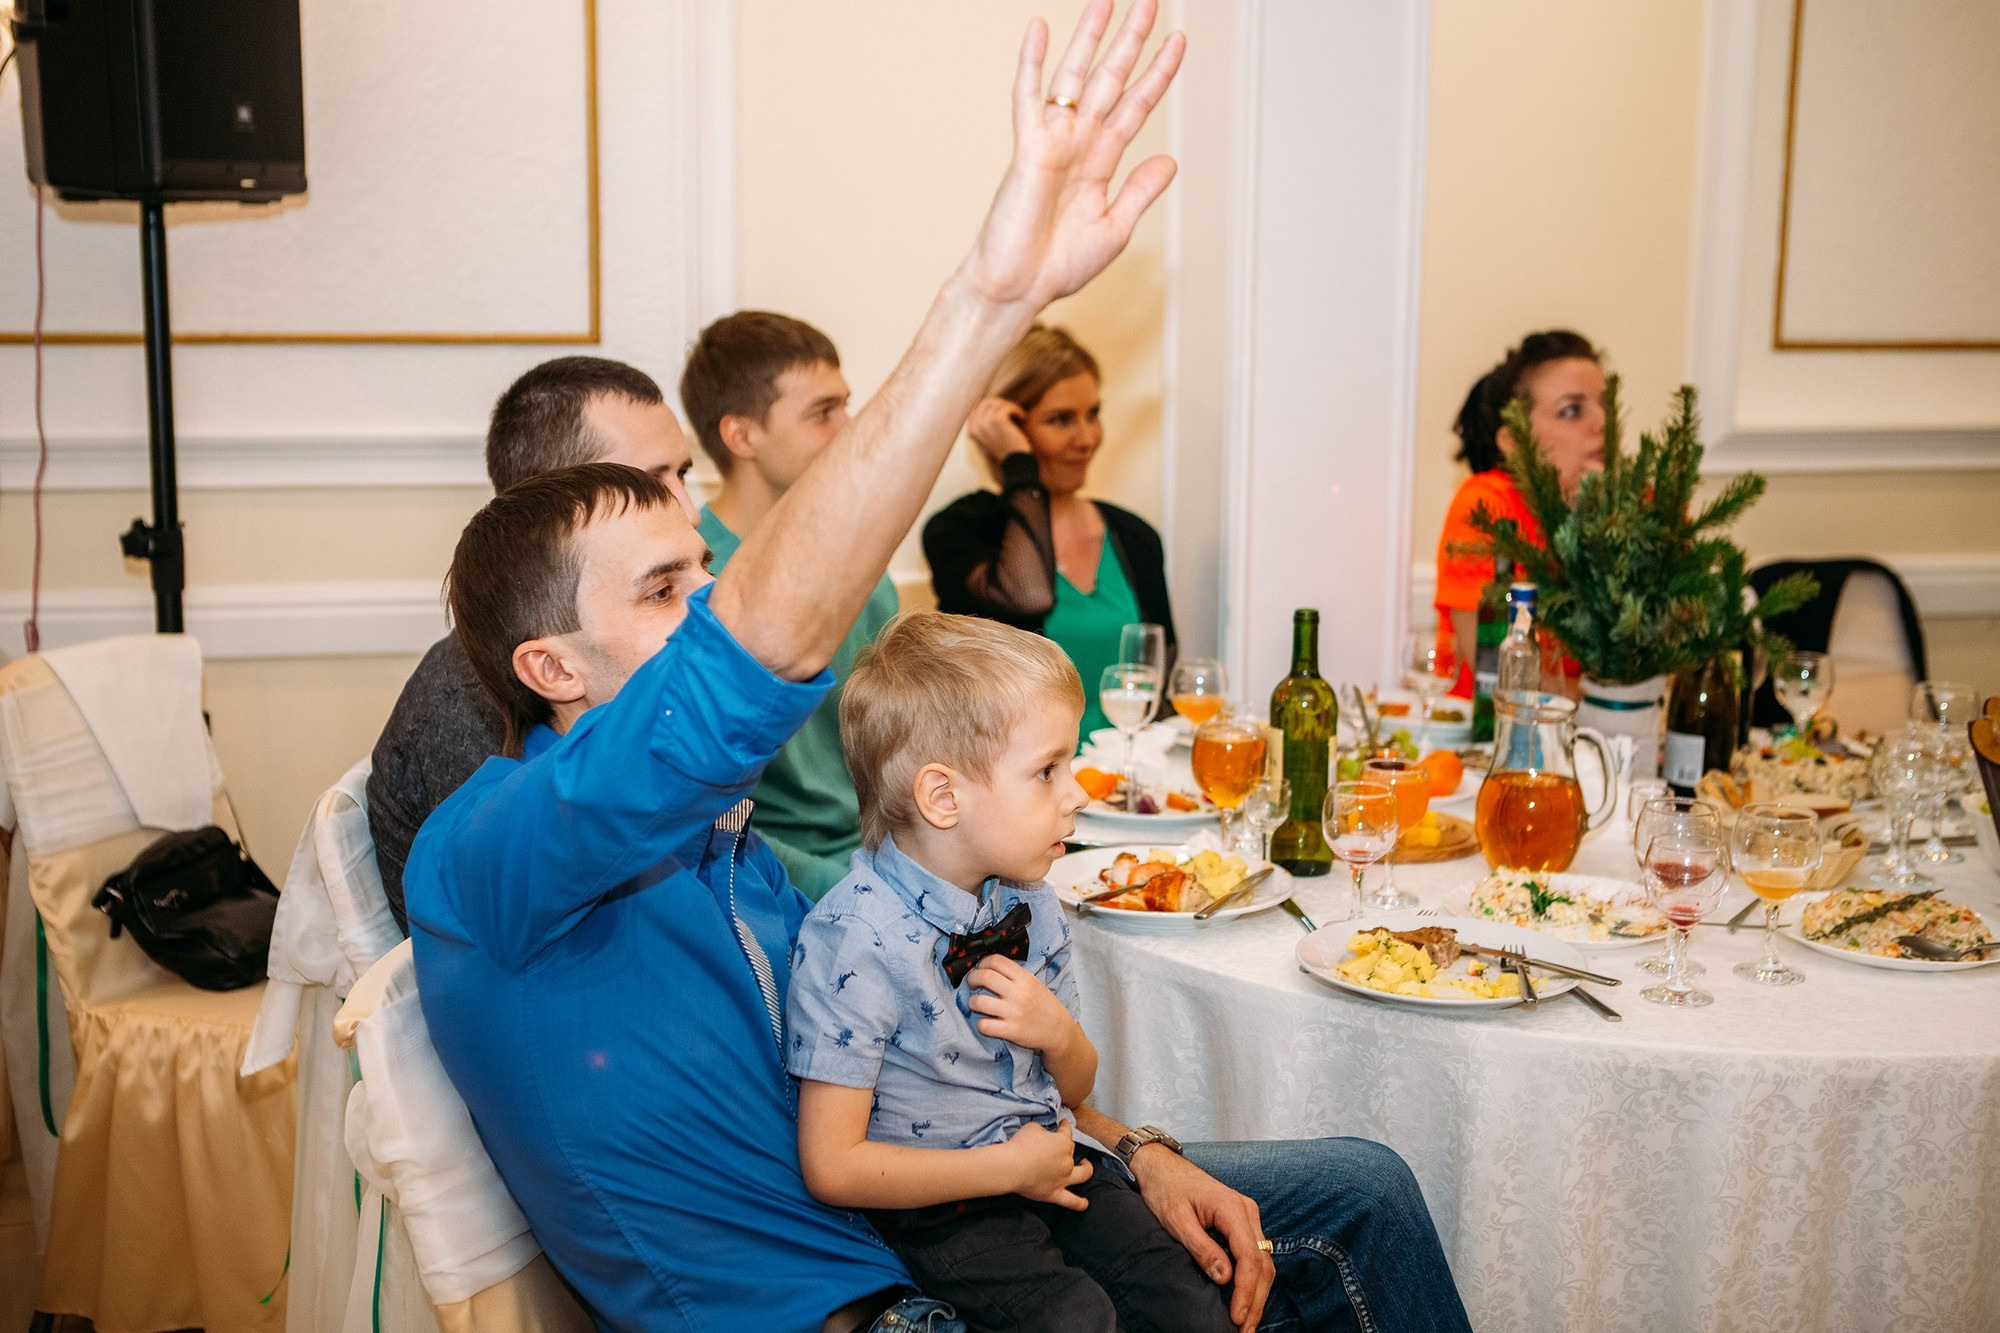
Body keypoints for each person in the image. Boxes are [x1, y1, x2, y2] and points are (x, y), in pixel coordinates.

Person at [405, 6, 1471, 1331]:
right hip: (858, 1303)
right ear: (550, 665)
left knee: (1362, 1186)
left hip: (954, 1212)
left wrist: (1132, 1150)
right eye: (669, 587)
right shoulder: (495, 850)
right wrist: (991, 300)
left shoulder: (731, 853)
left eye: (702, 567)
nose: (711, 595)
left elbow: (926, 1070)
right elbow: (748, 663)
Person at [790, 612, 1233, 1333]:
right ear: (943, 797)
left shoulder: (1030, 902)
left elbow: (1077, 1087)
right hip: (940, 1204)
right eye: (1047, 770)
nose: (1077, 794)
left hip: (1049, 1159)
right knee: (1074, 1318)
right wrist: (1010, 1170)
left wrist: (1058, 1033)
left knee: (1182, 1293)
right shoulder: (854, 939)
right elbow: (832, 1165)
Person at [365, 355, 699, 929]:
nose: (687, 509)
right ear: (555, 496)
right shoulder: (471, 715)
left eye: (683, 475)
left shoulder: (624, 677)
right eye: (648, 481)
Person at [680, 310, 897, 899]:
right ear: (742, 436)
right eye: (822, 412)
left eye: (846, 405)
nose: (850, 428)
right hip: (764, 876)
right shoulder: (691, 580)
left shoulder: (863, 562)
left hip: (888, 850)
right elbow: (703, 817)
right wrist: (858, 892)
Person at [923, 324, 1175, 737]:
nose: (1087, 438)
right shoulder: (958, 530)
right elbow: (1028, 595)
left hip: (1122, 772)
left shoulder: (1135, 535)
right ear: (1010, 427)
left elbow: (1161, 677)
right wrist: (1018, 464)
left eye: (1093, 414)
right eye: (1060, 419)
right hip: (1016, 774)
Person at [1434, 329, 1605, 694]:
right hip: (1487, 725)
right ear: (1513, 441)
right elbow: (1494, 668)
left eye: (1606, 404)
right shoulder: (1487, 505)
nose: (1601, 422)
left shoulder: (1628, 509)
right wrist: (1609, 703)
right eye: (1571, 410)